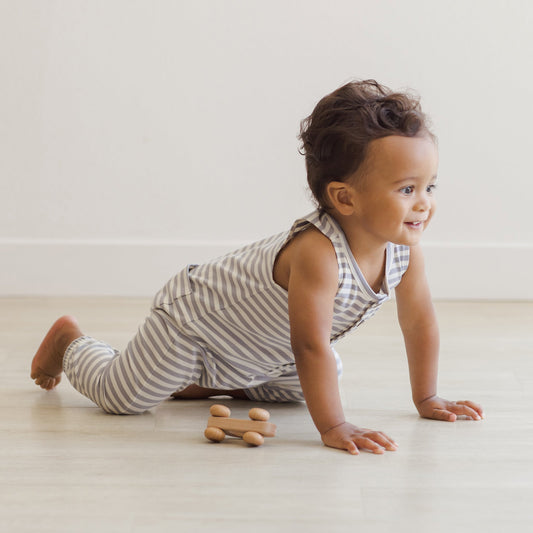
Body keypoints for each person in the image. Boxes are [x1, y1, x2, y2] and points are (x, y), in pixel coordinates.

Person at [31, 79, 484, 455]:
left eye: (430, 186)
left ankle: (203, 381)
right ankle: (71, 342)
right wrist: (334, 426)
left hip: (260, 349)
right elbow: (309, 346)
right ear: (345, 198)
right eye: (407, 189)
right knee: (124, 397)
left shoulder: (404, 251)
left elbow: (419, 321)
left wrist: (426, 397)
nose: (424, 203)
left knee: (318, 381)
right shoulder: (317, 253)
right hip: (195, 325)